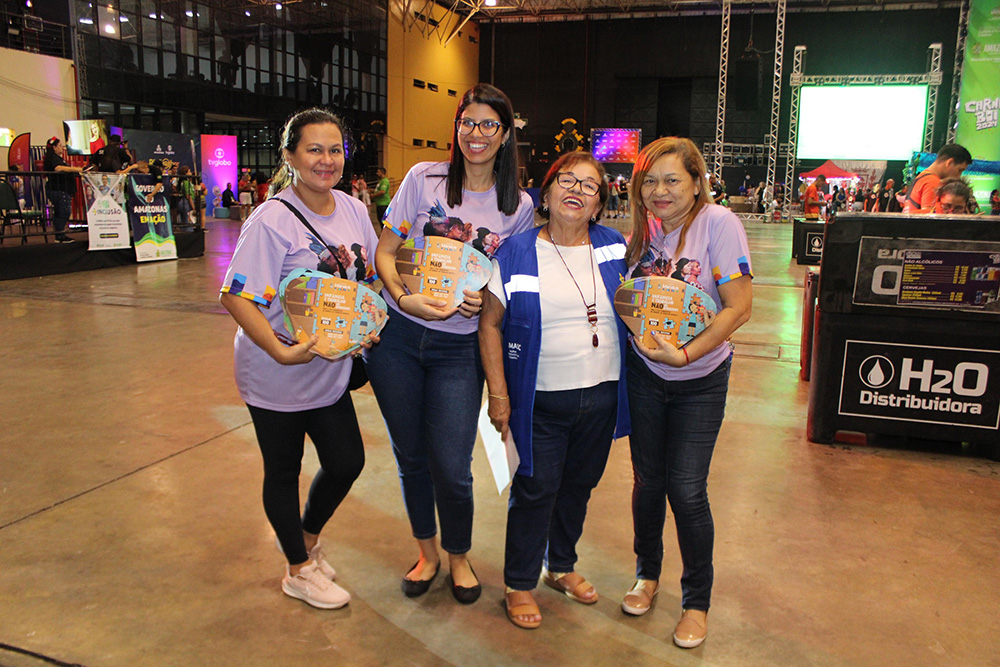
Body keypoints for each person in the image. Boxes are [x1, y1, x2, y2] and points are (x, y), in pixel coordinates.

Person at [365, 83, 535, 605]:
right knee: (410, 454)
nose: (476, 134)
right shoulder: (423, 179)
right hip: (398, 337)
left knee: (452, 462)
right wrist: (401, 296)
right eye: (468, 122)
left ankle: (458, 554)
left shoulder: (520, 206)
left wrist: (482, 301)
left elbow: (503, 288)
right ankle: (427, 552)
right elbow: (385, 250)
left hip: (459, 350)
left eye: (488, 125)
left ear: (505, 135)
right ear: (456, 127)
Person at [219, 108, 380, 610]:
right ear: (290, 156)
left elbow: (371, 273)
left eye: (335, 149)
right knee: (283, 470)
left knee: (346, 460)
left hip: (328, 369)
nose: (326, 160)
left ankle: (305, 537)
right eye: (314, 149)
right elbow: (237, 295)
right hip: (275, 371)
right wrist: (280, 351)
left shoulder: (353, 209)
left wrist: (371, 320)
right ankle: (297, 569)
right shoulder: (272, 220)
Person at [479, 151, 630, 630]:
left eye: (590, 185)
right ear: (545, 193)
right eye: (568, 180)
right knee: (534, 489)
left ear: (600, 203)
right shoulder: (516, 250)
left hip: (602, 396)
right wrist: (499, 395)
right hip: (539, 399)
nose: (577, 191)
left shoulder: (614, 246)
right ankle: (519, 581)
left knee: (579, 487)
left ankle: (559, 565)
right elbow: (490, 325)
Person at [621, 137, 753, 649]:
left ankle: (696, 600)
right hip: (645, 378)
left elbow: (738, 307)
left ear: (697, 182)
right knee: (648, 482)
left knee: (687, 489)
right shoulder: (643, 231)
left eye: (672, 179)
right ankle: (646, 575)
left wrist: (687, 355)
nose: (660, 191)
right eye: (649, 181)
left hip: (698, 381)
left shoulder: (718, 224)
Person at [903, 143, 973, 214]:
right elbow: (930, 219)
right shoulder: (933, 182)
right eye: (960, 170)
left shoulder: (922, 177)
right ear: (949, 162)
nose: (959, 176)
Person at [43, 136, 84, 243]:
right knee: (64, 211)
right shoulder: (53, 158)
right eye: (60, 146)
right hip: (58, 189)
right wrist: (77, 169)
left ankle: (60, 234)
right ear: (54, 147)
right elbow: (58, 168)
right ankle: (60, 235)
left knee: (61, 211)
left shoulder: (57, 158)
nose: (62, 148)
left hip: (61, 189)